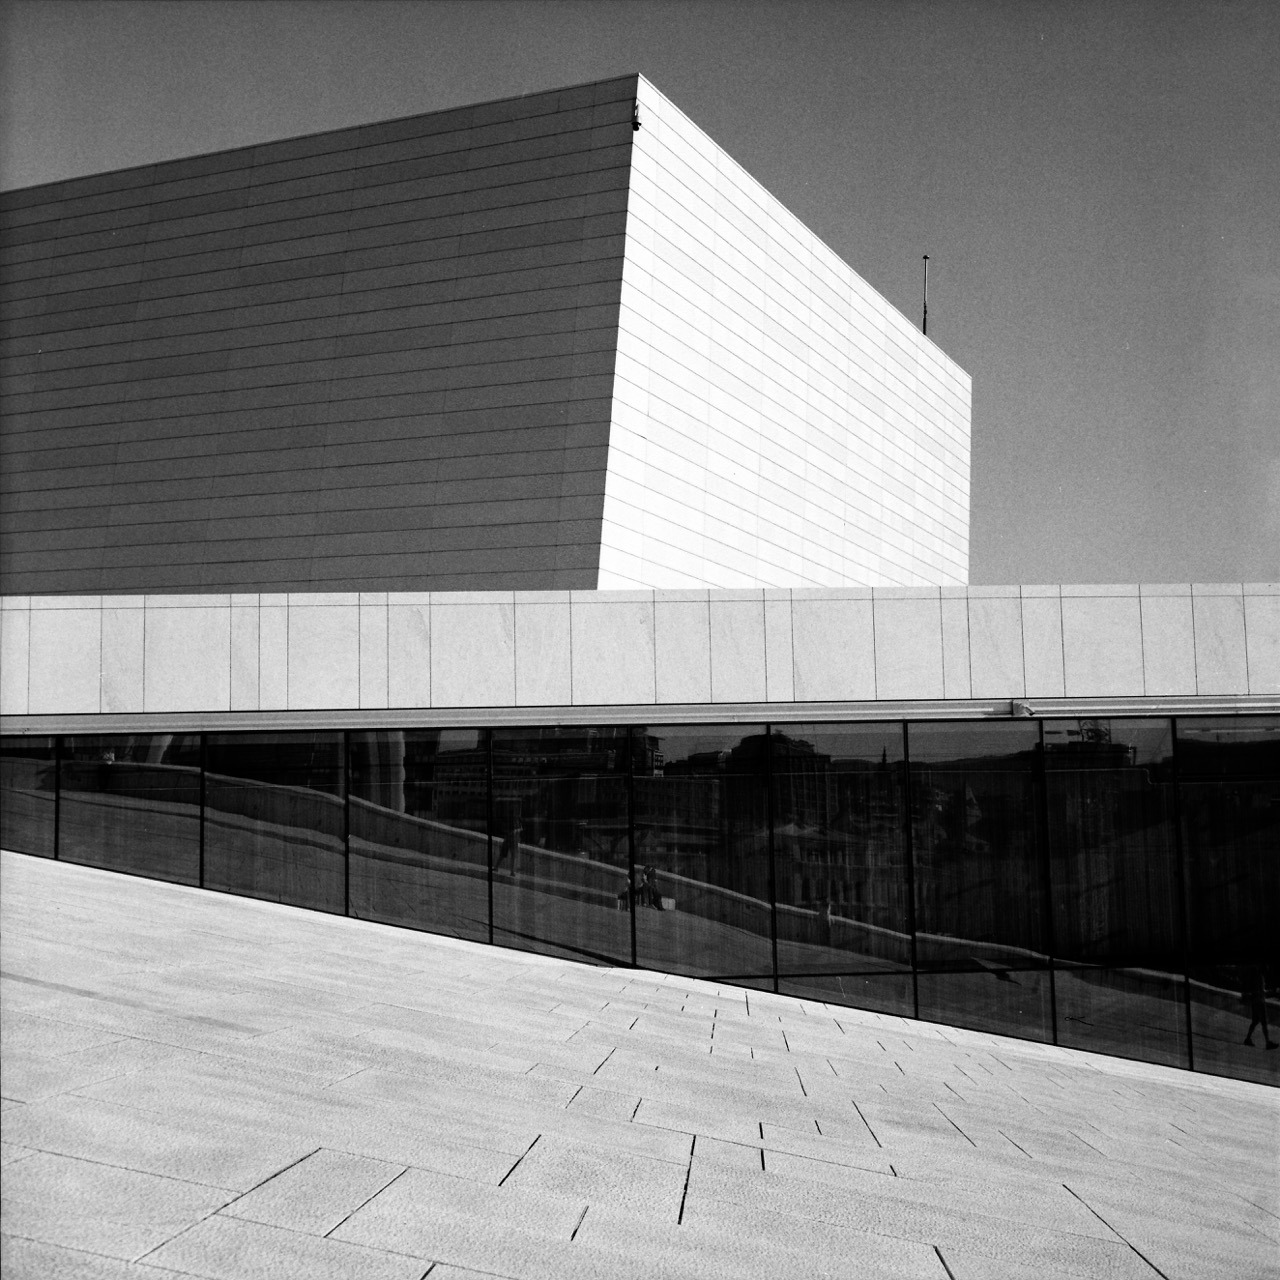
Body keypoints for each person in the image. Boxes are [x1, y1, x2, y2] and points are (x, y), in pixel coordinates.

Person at [1242, 967, 1278, 1049]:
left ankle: (1248, 1038)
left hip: (1255, 1001)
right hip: (1259, 1001)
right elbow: (1260, 990)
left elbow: (1257, 990)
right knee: (1264, 1022)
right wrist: (1270, 992)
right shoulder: (1259, 977)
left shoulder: (1257, 975)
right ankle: (1267, 1042)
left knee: (1255, 1021)